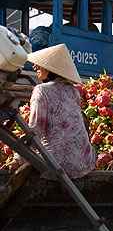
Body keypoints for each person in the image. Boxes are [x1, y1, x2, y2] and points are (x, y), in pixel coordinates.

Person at [2, 44, 97, 179]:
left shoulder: (42, 90)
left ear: (51, 68)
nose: (35, 67)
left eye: (40, 64)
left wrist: (18, 160)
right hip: (84, 162)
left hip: (57, 164)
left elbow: (35, 130)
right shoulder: (74, 91)